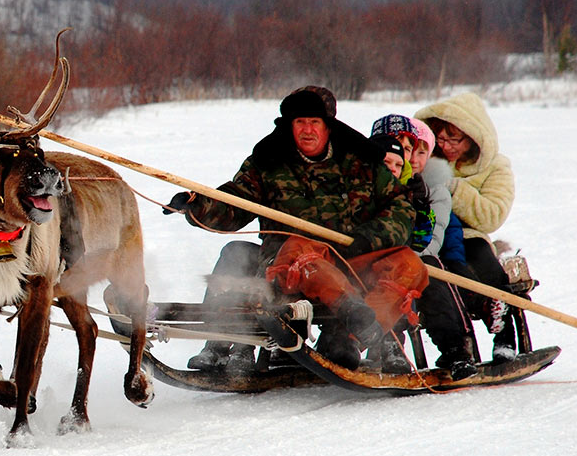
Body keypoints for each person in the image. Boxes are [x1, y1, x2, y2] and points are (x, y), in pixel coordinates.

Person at [164, 86, 428, 371]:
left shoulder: (362, 161)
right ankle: (222, 342)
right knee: (295, 255)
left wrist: (367, 239)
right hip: (289, 263)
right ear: (288, 126)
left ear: (329, 127)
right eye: (299, 122)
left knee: (409, 265)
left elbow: (401, 209)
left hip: (352, 258)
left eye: (314, 122)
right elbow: (234, 203)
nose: (307, 130)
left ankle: (354, 337)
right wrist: (196, 205)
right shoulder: (267, 163)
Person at [372, 118, 478, 379]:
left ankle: (455, 349)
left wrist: (409, 259)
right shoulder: (363, 183)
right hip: (373, 261)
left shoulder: (424, 190)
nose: (400, 154)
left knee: (427, 270)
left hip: (418, 259)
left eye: (407, 150)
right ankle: (390, 346)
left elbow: (430, 239)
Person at [415, 93, 517, 363]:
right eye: (441, 138)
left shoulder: (496, 167)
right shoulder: (423, 158)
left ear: (473, 139)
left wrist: (452, 187)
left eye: (454, 140)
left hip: (470, 237)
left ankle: (505, 338)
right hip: (426, 233)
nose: (446, 146)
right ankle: (456, 346)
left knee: (489, 269)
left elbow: (491, 215)